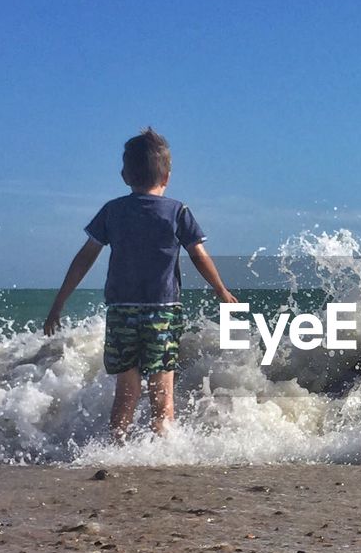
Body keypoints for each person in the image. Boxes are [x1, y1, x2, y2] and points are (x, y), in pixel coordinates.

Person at [44, 128, 236, 439]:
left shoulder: (113, 211)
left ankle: (117, 446)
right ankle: (162, 447)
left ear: (124, 175)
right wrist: (221, 290)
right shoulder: (177, 211)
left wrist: (59, 303)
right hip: (163, 311)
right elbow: (199, 255)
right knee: (163, 389)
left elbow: (84, 258)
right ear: (168, 176)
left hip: (122, 311)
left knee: (127, 390)